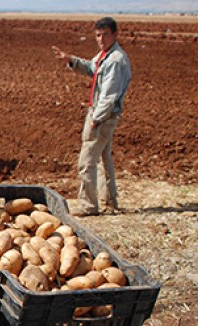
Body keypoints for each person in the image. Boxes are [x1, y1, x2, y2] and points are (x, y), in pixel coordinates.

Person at [52, 17, 132, 217]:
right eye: (98, 35)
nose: (101, 39)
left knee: (86, 161)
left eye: (105, 34)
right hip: (102, 115)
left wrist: (96, 119)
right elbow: (92, 68)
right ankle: (110, 202)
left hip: (102, 117)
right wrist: (71, 60)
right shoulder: (106, 55)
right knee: (104, 159)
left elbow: (109, 96)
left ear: (115, 34)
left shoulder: (115, 60)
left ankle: (88, 205)